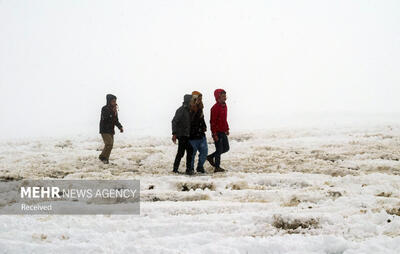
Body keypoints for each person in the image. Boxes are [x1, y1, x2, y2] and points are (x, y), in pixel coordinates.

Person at [207, 89, 229, 172]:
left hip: (223, 131)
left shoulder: (225, 106)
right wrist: (214, 134)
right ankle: (217, 167)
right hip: (217, 132)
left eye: (225, 96)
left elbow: (224, 119)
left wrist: (227, 128)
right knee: (219, 150)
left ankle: (210, 157)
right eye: (222, 96)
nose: (224, 98)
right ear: (218, 97)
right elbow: (212, 122)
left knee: (226, 148)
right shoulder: (214, 108)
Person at [172, 94, 194, 175]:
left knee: (183, 151)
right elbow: (174, 121)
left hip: (186, 135)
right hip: (182, 135)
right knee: (184, 151)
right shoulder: (181, 110)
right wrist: (174, 133)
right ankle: (182, 169)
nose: (192, 101)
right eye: (191, 100)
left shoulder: (188, 110)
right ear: (188, 101)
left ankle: (180, 169)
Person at [99, 94, 123, 164]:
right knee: (109, 143)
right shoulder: (104, 108)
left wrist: (120, 127)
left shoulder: (114, 110)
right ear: (109, 101)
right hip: (104, 130)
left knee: (110, 145)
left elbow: (116, 120)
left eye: (115, 101)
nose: (114, 103)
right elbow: (106, 118)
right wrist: (112, 113)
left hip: (111, 130)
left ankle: (104, 157)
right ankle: (103, 157)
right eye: (113, 101)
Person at [188, 91, 208, 174]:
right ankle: (191, 169)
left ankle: (200, 167)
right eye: (199, 99)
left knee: (204, 152)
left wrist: (204, 126)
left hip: (201, 135)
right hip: (192, 136)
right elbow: (189, 121)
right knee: (192, 154)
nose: (200, 100)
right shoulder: (189, 109)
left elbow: (202, 119)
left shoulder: (200, 109)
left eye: (201, 99)